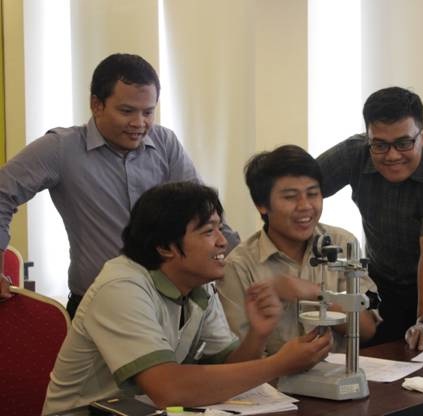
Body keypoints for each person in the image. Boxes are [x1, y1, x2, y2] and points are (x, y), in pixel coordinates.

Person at [43, 181, 331, 414]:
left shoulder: (198, 285)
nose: (223, 241)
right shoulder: (121, 287)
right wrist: (279, 363)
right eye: (208, 232)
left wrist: (258, 335)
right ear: (165, 247)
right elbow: (168, 389)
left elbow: (226, 370)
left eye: (220, 228)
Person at [0, 53, 238, 316]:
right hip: (99, 305)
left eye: (148, 112)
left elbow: (204, 213)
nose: (139, 123)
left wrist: (241, 266)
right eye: (127, 111)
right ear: (96, 104)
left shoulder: (165, 143)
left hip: (168, 304)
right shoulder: (61, 148)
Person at [316, 86, 423, 349]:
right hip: (385, 278)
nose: (392, 155)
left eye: (403, 143)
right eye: (380, 145)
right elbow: (302, 186)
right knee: (381, 358)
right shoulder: (354, 152)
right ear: (368, 138)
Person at [218, 145, 380, 354]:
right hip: (273, 374)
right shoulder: (239, 266)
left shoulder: (341, 243)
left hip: (339, 372)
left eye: (312, 194)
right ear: (261, 204)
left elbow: (367, 330)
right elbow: (238, 359)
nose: (305, 206)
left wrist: (316, 294)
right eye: (290, 197)